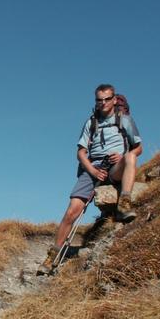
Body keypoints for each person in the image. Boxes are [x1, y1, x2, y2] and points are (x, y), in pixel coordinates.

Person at [37, 84, 143, 276]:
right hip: (93, 167)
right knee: (71, 211)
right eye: (99, 100)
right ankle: (52, 255)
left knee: (130, 157)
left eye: (107, 99)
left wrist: (122, 156)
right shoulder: (91, 122)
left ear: (114, 100)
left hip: (116, 166)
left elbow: (138, 148)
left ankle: (125, 202)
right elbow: (81, 153)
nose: (103, 103)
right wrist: (93, 171)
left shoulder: (124, 119)